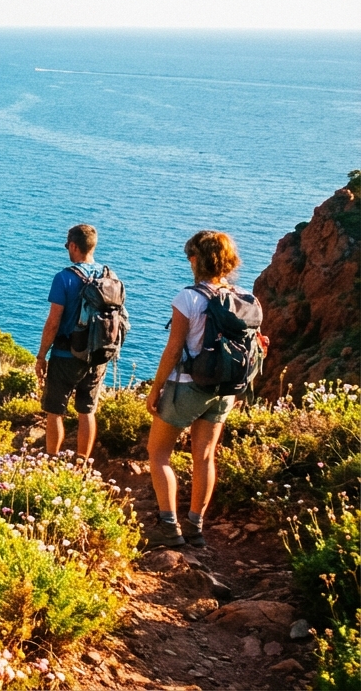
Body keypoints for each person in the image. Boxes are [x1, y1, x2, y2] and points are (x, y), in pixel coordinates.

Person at [142, 231, 253, 548]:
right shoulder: (242, 298)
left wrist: (156, 389)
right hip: (224, 390)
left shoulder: (188, 298)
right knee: (204, 457)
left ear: (196, 258)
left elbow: (174, 350)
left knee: (159, 453)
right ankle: (195, 527)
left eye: (190, 256)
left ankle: (169, 527)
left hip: (188, 387)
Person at [35, 224, 107, 458]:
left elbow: (53, 322)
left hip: (66, 355)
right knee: (87, 411)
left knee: (55, 411)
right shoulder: (109, 276)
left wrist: (41, 355)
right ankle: (82, 463)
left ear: (74, 246)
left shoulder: (64, 278)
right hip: (97, 356)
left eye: (68, 246)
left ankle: (51, 460)